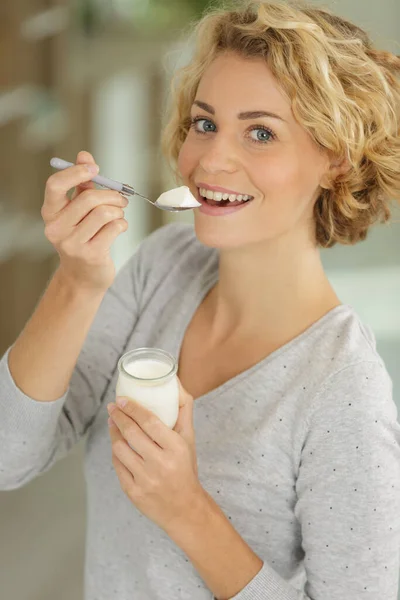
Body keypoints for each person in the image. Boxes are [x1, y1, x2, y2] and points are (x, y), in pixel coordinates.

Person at [1, 1, 400, 598]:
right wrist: (77, 282)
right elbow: (9, 457)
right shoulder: (163, 267)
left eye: (261, 132)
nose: (211, 161)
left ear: (335, 161)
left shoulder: (343, 393)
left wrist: (186, 509)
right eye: (205, 122)